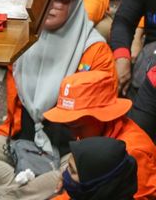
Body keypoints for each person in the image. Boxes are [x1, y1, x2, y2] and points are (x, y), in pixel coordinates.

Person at [0, 0, 116, 199]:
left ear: (75, 5)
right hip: (20, 142)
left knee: (24, 191)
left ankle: (12, 189)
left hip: (68, 153)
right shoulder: (25, 40)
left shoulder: (95, 52)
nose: (52, 3)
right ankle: (15, 184)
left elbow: (96, 125)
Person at [41, 69, 156, 197]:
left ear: (103, 117)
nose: (74, 135)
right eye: (68, 126)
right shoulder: (92, 133)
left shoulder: (132, 152)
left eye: (78, 126)